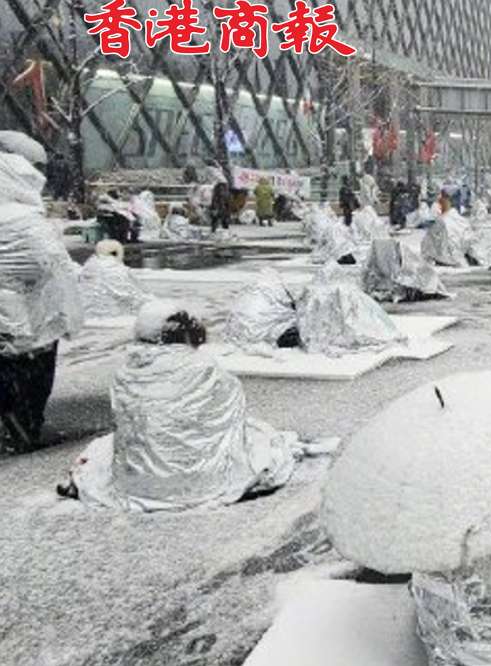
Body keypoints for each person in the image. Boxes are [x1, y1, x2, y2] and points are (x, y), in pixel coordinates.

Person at [63, 300, 300, 510]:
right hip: (203, 480)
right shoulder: (202, 368)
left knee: (107, 449)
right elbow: (231, 416)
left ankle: (157, 477)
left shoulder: (124, 374)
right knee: (259, 441)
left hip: (136, 483)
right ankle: (188, 476)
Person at [0, 135, 82, 453]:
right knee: (35, 366)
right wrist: (70, 316)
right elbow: (54, 268)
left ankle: (15, 420)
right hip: (26, 316)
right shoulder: (25, 220)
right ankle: (27, 424)